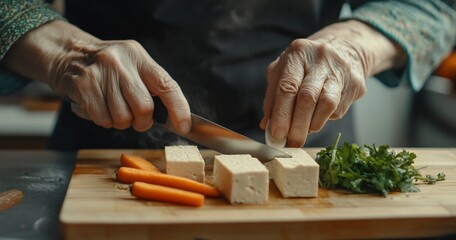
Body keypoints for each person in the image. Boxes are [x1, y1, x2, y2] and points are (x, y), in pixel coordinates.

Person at [0, 0, 455, 150]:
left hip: (303, 152)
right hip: (102, 149)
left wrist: (355, 44)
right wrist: (64, 53)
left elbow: (436, 7)